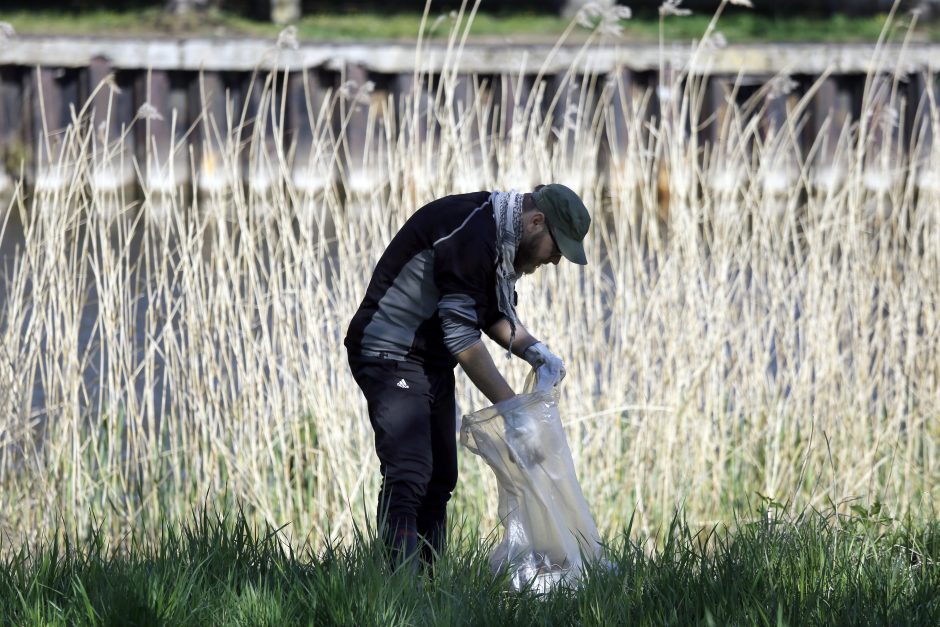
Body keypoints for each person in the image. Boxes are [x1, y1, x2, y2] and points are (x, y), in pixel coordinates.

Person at [344, 184, 591, 571]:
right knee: (410, 471)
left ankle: (428, 585)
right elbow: (461, 337)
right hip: (389, 353)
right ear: (536, 222)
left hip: (428, 359)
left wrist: (537, 352)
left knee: (441, 477)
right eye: (557, 249)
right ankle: (398, 592)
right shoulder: (473, 233)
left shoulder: (500, 234)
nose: (556, 261)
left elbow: (486, 313)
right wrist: (514, 412)